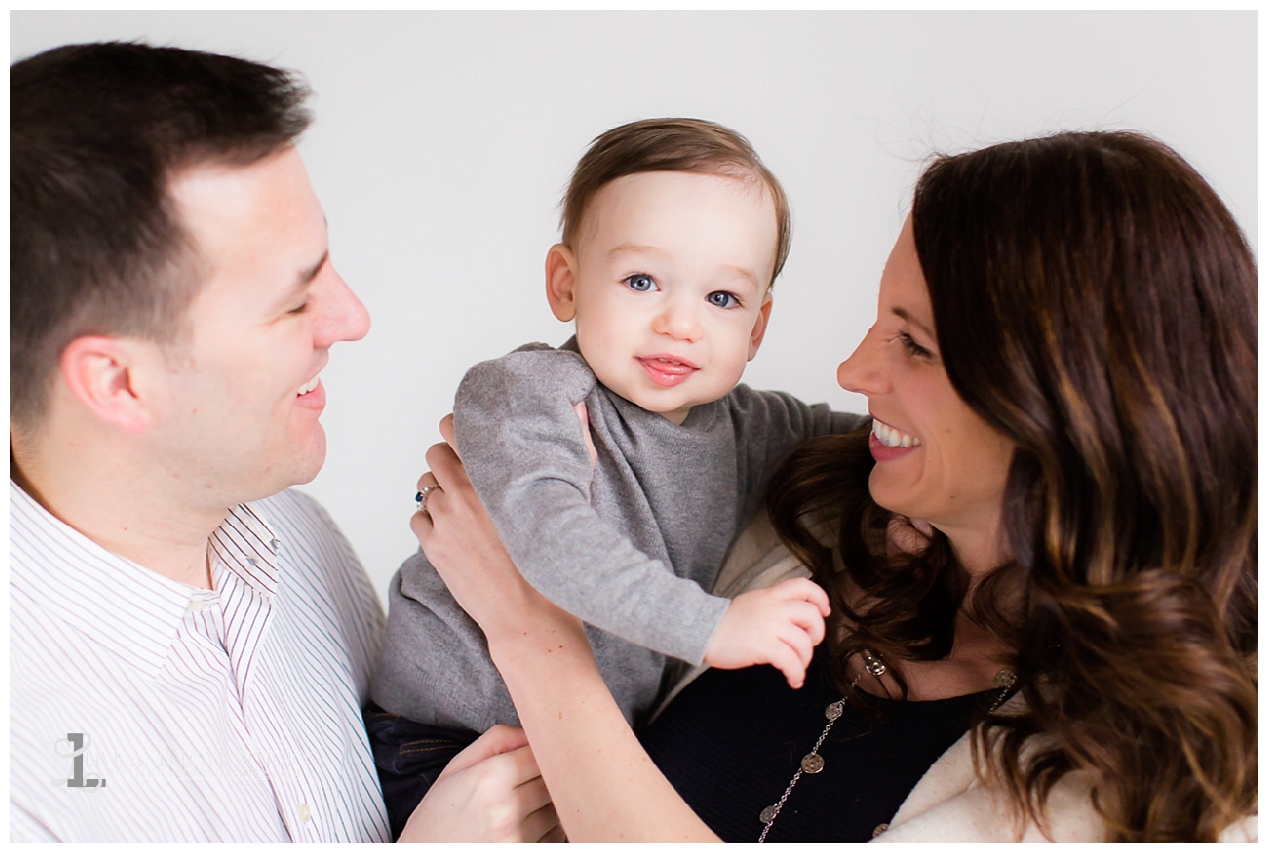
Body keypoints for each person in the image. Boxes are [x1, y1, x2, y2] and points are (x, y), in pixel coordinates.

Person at [410, 130, 1258, 842]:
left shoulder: (1126, 782)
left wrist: (533, 635)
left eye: (914, 345)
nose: (853, 370)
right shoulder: (809, 512)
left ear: (1069, 408)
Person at [10, 41, 558, 842]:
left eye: (326, 261)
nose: (353, 317)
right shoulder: (22, 765)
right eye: (292, 303)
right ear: (120, 382)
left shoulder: (293, 537)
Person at [369, 118, 862, 831]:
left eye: (721, 298)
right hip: (446, 741)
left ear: (756, 328)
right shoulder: (529, 393)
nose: (680, 323)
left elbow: (867, 443)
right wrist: (712, 626)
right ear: (566, 284)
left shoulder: (753, 428)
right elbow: (553, 543)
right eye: (642, 281)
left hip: (582, 744)